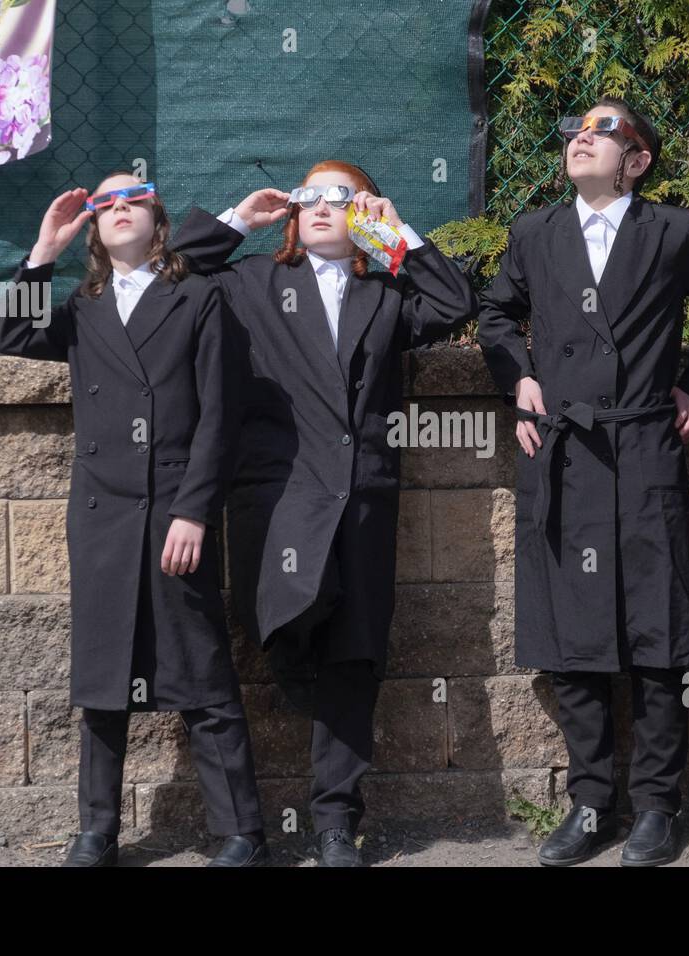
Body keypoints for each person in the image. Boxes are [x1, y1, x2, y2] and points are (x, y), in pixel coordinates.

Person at [170, 162, 477, 866]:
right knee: (281, 628)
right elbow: (175, 275)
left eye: (339, 198)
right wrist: (240, 219)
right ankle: (296, 687)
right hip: (279, 499)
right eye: (307, 196)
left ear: (361, 215)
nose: (318, 206)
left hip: (361, 496)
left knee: (354, 656)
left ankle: (336, 820)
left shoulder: (385, 294)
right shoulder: (252, 284)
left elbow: (455, 300)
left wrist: (398, 234)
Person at [478, 98, 689, 866]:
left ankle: (657, 805)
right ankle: (591, 802)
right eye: (574, 130)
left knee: (659, 634)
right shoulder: (535, 233)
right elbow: (495, 316)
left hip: (647, 446)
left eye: (604, 130)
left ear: (639, 159)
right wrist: (518, 381)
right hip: (566, 455)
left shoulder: (675, 231)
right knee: (575, 636)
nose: (581, 138)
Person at [0, 172, 266, 867]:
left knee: (202, 670)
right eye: (102, 203)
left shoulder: (199, 297)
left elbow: (220, 418)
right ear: (92, 230)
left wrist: (195, 512)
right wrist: (43, 249)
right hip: (102, 515)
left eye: (132, 198)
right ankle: (96, 831)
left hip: (177, 510)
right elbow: (13, 335)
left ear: (158, 221)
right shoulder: (82, 309)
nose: (117, 208)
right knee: (102, 675)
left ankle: (240, 833)